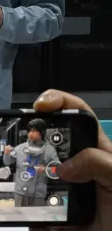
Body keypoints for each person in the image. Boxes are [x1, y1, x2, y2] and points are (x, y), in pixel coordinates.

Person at [31, 90, 112, 231]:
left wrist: (47, 170)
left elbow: (57, 166)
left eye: (34, 131)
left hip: (47, 188)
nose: (31, 134)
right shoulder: (25, 148)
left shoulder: (50, 148)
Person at [2, 119, 59, 207]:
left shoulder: (50, 150)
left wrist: (45, 170)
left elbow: (59, 171)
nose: (30, 134)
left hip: (38, 194)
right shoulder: (20, 148)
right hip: (20, 193)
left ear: (42, 132)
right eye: (29, 131)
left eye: (34, 131)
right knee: (19, 215)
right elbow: (7, 162)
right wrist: (6, 153)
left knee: (36, 216)